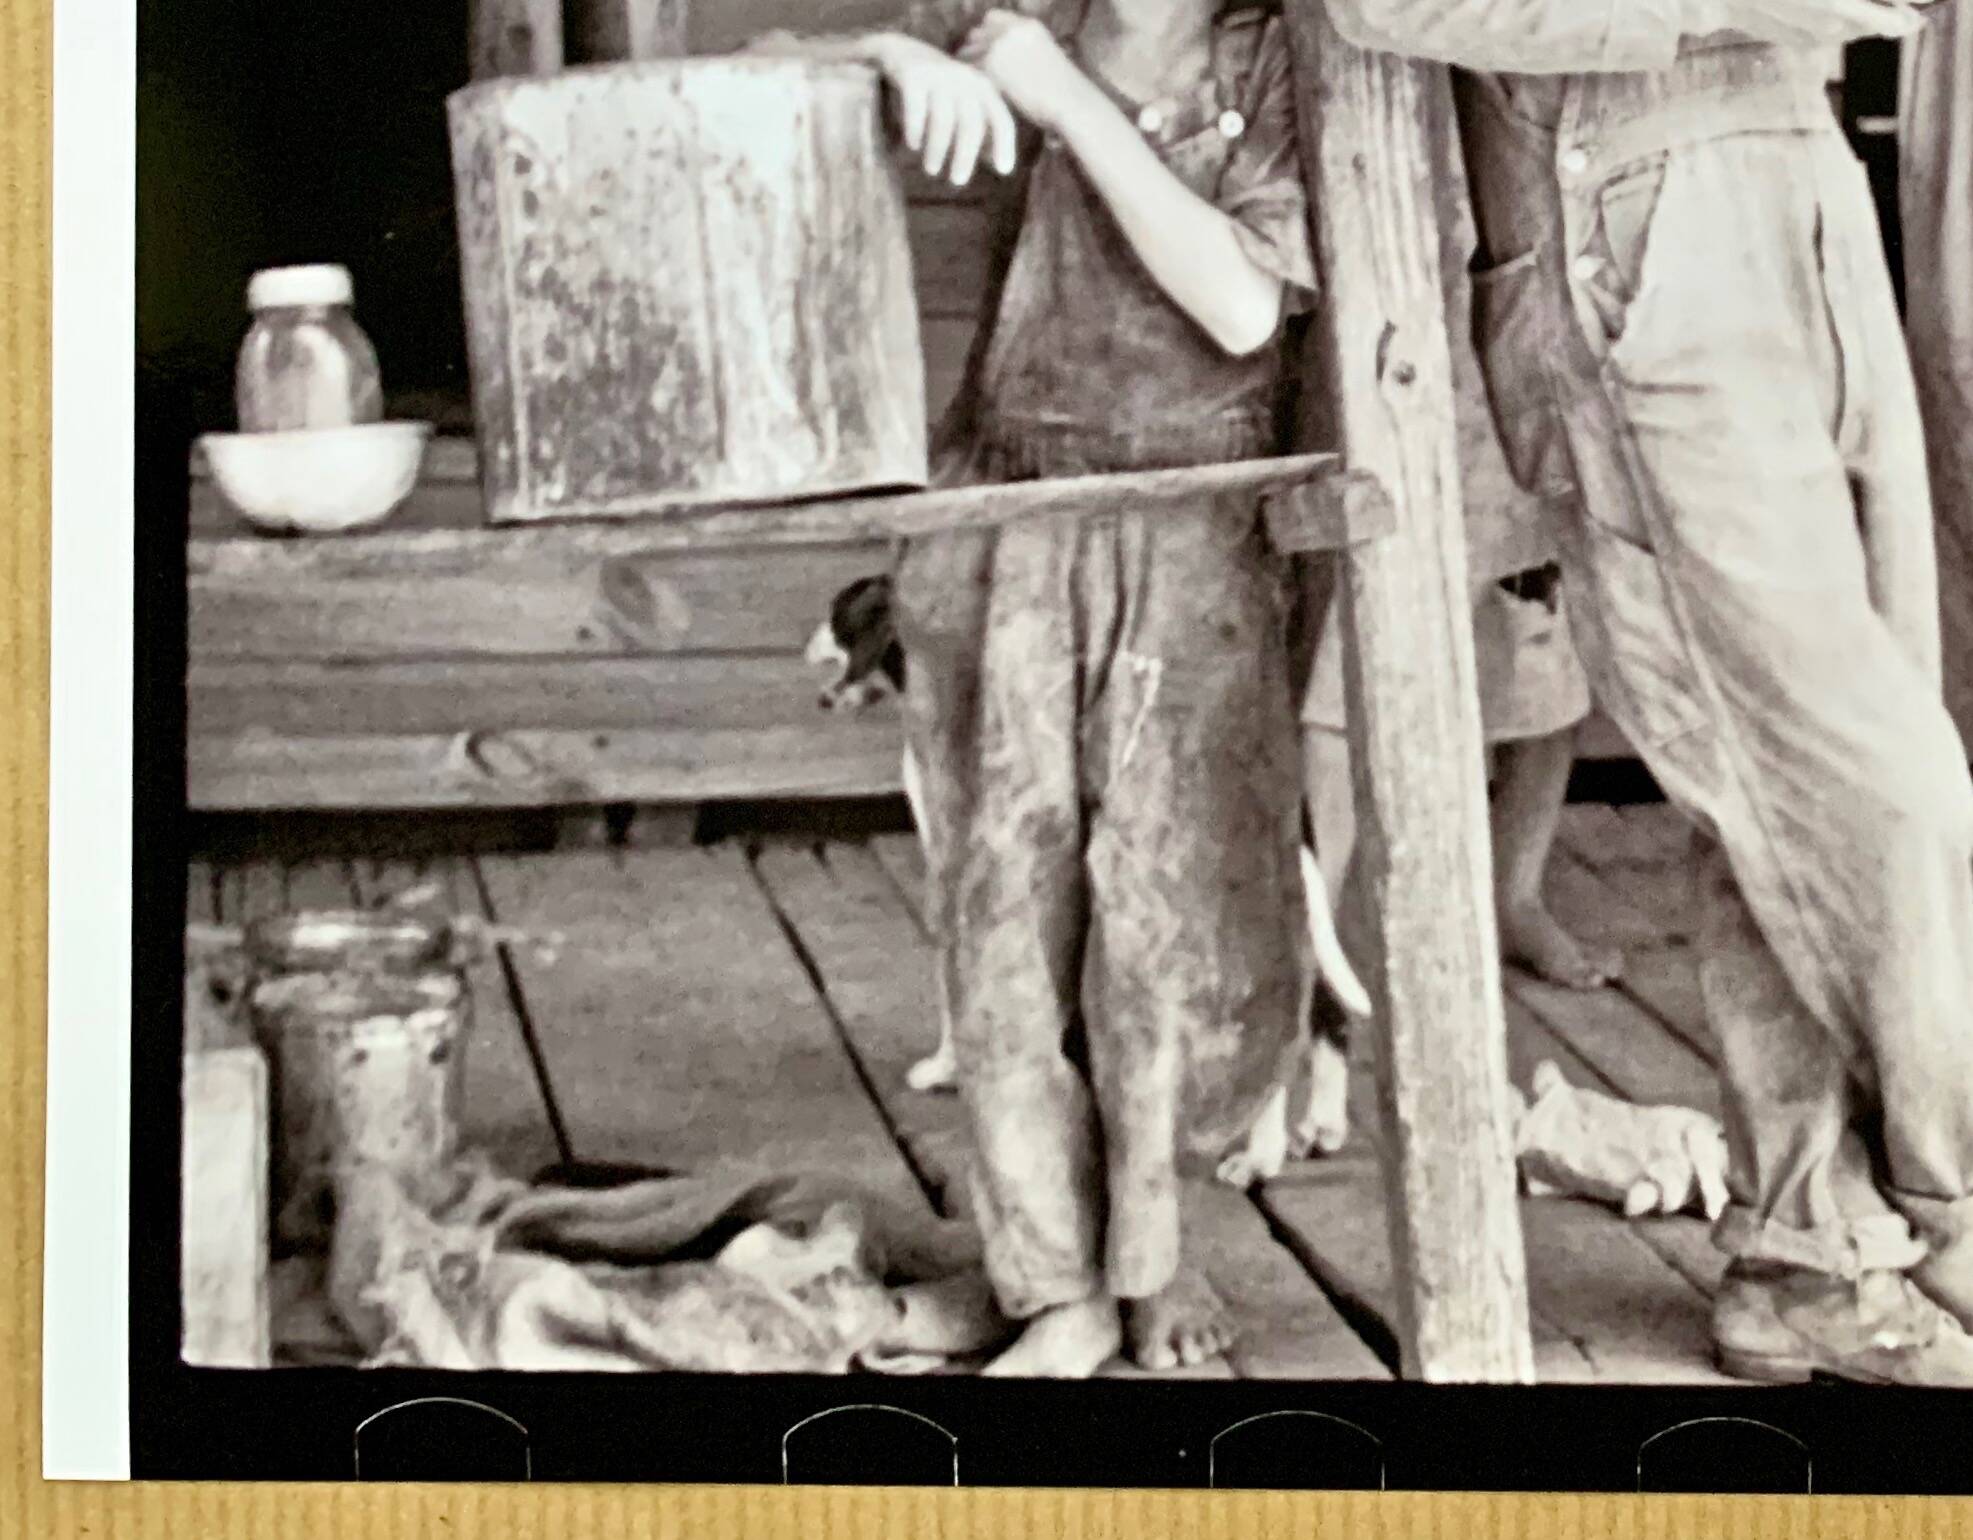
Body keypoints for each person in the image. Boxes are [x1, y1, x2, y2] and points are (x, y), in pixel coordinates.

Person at [1321, 0, 1973, 1383]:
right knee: (1884, 793)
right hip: (1628, 220)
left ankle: (1800, 1255)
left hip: (1802, 181)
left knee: (1782, 792)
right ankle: (1951, 1199)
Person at [749, 0, 1319, 1376]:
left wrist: (1063, 101)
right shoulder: (1012, 17)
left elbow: (1245, 306)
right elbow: (768, 68)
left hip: (1191, 518)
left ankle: (1157, 1256)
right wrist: (891, 59)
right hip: (1006, 508)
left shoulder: (1271, 59)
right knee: (998, 922)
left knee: (1163, 917)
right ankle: (1052, 1281)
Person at [1296, 90, 1618, 995]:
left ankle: (1514, 894)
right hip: (1377, 310)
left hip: (1511, 312)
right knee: (1337, 673)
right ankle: (1329, 923)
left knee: (1539, 640)